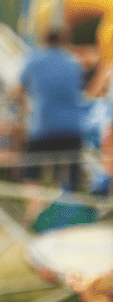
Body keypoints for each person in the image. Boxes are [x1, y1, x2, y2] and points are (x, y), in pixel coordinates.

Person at [14, 29, 88, 191]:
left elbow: (17, 91)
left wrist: (24, 113)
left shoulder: (34, 61)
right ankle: (63, 210)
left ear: (45, 40)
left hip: (42, 127)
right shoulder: (74, 64)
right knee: (69, 180)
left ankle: (34, 211)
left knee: (31, 176)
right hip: (72, 129)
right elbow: (81, 91)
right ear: (64, 42)